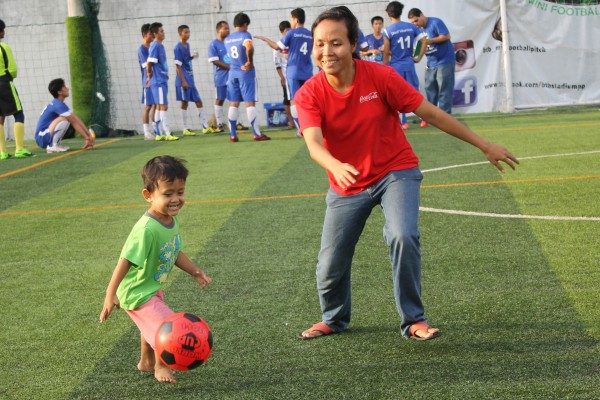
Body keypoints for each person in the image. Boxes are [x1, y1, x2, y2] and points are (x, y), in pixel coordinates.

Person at [295, 6, 518, 341]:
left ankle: (414, 320)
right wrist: (334, 164)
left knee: (402, 235)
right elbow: (314, 144)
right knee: (330, 263)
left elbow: (433, 113)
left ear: (354, 43)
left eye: (337, 43)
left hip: (395, 172)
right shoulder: (309, 93)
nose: (327, 52)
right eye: (320, 44)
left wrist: (483, 144)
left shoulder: (381, 77)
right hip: (347, 183)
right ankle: (333, 318)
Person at [99, 155, 212, 384]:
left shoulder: (171, 220)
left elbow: (174, 251)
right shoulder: (147, 229)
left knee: (149, 326)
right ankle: (161, 365)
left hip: (150, 287)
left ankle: (146, 362)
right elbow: (125, 261)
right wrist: (110, 295)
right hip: (136, 291)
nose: (175, 199)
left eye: (180, 192)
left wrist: (194, 271)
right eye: (167, 193)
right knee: (166, 325)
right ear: (148, 195)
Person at [255, 8, 312, 138]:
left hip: (293, 72)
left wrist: (265, 39)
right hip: (307, 72)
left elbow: (276, 46)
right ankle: (312, 127)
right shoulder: (310, 34)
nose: (291, 21)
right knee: (308, 101)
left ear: (296, 19)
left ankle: (301, 130)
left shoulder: (291, 33)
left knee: (293, 101)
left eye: (291, 19)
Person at [224, 12, 269, 142]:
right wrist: (249, 61)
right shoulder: (245, 35)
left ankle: (232, 134)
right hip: (245, 72)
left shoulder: (228, 39)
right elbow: (249, 47)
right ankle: (256, 133)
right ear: (245, 24)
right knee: (250, 103)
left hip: (232, 73)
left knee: (234, 103)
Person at [383, 1, 427, 130]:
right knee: (415, 91)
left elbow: (386, 52)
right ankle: (423, 119)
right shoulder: (411, 27)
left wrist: (384, 67)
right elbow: (424, 40)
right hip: (409, 64)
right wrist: (418, 56)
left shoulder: (388, 31)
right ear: (401, 13)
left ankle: (404, 122)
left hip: (396, 67)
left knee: (398, 94)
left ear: (389, 14)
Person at [408, 8, 455, 123]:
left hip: (445, 61)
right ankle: (429, 116)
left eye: (416, 20)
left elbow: (447, 36)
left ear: (421, 15)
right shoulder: (418, 30)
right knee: (430, 88)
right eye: (413, 22)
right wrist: (415, 57)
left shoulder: (435, 22)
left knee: (444, 89)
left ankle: (445, 118)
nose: (415, 24)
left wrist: (431, 40)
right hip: (431, 62)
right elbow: (420, 44)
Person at [0, 19, 34, 159]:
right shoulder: (4, 47)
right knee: (18, 114)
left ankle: (2, 152)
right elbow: (13, 70)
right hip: (4, 83)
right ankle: (19, 149)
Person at [34, 78, 95, 153]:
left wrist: (89, 135)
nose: (67, 89)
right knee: (65, 119)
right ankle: (52, 146)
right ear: (59, 92)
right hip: (42, 137)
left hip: (44, 134)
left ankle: (56, 144)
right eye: (64, 87)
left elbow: (76, 119)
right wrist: (87, 138)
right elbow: (74, 122)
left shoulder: (60, 104)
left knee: (67, 118)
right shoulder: (58, 105)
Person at [174, 25, 213, 136]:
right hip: (184, 79)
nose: (188, 34)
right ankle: (185, 128)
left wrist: (192, 57)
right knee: (184, 103)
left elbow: (184, 61)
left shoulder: (188, 45)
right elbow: (177, 65)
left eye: (189, 32)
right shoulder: (178, 47)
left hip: (190, 78)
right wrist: (183, 81)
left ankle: (205, 126)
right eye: (186, 32)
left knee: (198, 101)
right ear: (180, 33)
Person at [147, 22, 178, 141]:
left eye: (163, 31)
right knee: (163, 106)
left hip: (162, 79)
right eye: (161, 31)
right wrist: (150, 74)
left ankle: (159, 133)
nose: (163, 33)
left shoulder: (160, 46)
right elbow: (149, 62)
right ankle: (167, 132)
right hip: (158, 81)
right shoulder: (155, 45)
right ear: (155, 34)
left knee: (160, 106)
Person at [208, 21, 231, 133]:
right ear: (218, 30)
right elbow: (214, 61)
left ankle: (236, 122)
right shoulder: (213, 44)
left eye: (228, 28)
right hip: (221, 76)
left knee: (234, 98)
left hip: (232, 76)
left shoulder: (230, 42)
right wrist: (229, 67)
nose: (228, 30)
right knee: (220, 99)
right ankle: (219, 123)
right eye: (225, 28)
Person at [139, 23, 156, 141]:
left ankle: (156, 128)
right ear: (144, 35)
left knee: (156, 104)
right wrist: (149, 79)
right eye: (150, 34)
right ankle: (146, 132)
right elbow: (147, 66)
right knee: (148, 106)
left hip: (156, 80)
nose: (153, 36)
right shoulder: (142, 49)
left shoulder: (153, 47)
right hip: (148, 81)